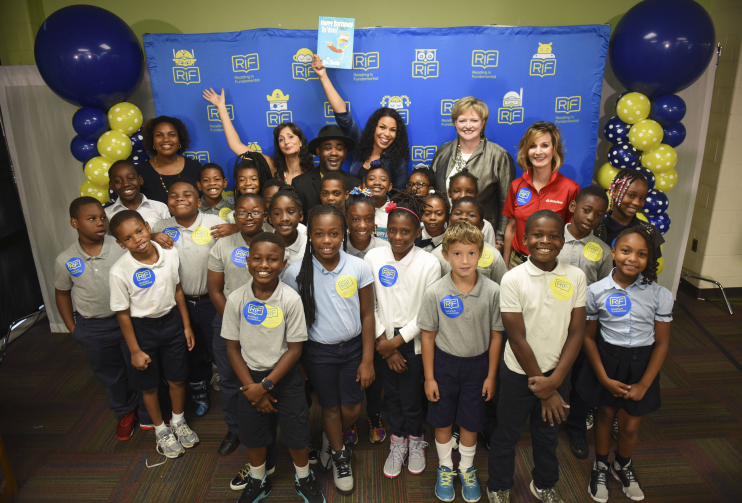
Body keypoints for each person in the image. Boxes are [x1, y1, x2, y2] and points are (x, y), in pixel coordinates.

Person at [487, 210, 586, 503]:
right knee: (506, 435)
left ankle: (543, 484)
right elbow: (516, 337)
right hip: (519, 372)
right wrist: (544, 386)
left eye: (554, 235)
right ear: (525, 238)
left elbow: (577, 332)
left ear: (563, 239)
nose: (546, 241)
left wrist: (554, 381)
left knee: (548, 435)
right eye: (538, 235)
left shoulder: (575, 276)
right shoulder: (513, 279)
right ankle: (499, 486)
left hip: (558, 371)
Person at [221, 232, 326, 503]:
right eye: (257, 258)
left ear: (283, 262)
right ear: (247, 261)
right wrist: (253, 389)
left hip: (285, 376)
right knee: (254, 435)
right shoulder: (236, 299)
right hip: (249, 378)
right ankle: (258, 479)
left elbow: (295, 350)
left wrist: (265, 386)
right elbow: (232, 348)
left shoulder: (290, 299)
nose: (264, 264)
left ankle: (304, 477)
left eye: (272, 259)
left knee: (296, 432)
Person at [284, 205, 376, 495]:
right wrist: (296, 359)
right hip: (317, 352)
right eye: (319, 234)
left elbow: (367, 314)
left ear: (343, 234)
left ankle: (328, 437)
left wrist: (368, 359)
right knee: (330, 407)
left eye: (334, 234)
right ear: (310, 235)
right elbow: (290, 320)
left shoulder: (358, 266)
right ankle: (339, 454)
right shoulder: (296, 271)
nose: (327, 240)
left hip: (352, 350)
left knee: (352, 407)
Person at [577, 227, 672, 503]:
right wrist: (604, 378)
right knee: (605, 417)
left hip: (642, 365)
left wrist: (644, 383)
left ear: (649, 258)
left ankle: (623, 464)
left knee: (630, 425)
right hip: (607, 363)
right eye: (626, 251)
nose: (632, 259)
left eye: (642, 254)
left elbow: (662, 344)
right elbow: (588, 337)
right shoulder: (596, 291)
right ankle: (601, 465)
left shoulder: (659, 294)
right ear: (613, 253)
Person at [419, 222, 504, 503]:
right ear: (445, 255)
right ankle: (446, 467)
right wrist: (429, 377)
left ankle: (466, 468)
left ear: (481, 254)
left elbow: (495, 337)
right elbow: (428, 337)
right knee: (442, 419)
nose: (464, 260)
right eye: (457, 254)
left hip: (478, 367)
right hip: (443, 365)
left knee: (471, 420)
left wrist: (491, 375)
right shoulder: (434, 292)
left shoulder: (492, 291)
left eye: (470, 253)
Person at [108, 210, 199, 461]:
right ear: (120, 244)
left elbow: (178, 291)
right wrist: (135, 350)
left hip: (171, 322)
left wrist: (186, 325)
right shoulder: (119, 271)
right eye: (127, 238)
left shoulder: (169, 253)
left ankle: (178, 421)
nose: (137, 239)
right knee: (148, 384)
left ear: (147, 226)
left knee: (177, 377)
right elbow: (123, 314)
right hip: (141, 329)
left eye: (139, 231)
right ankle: (161, 430)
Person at [364, 193, 442, 479]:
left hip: (412, 343)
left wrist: (396, 343)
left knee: (410, 395)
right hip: (381, 339)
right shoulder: (373, 257)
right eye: (392, 230)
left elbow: (426, 311)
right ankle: (398, 441)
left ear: (417, 232)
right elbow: (369, 303)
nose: (398, 237)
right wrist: (384, 342)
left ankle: (416, 439)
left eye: (405, 231)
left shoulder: (428, 263)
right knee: (392, 395)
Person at [54, 197, 138, 441]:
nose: (100, 223)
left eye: (102, 217)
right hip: (93, 327)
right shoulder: (65, 260)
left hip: (128, 321)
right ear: (74, 223)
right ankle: (124, 410)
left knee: (139, 366)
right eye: (91, 219)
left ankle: (147, 408)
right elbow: (62, 294)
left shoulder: (121, 246)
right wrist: (73, 328)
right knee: (109, 373)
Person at [151, 179, 224, 419]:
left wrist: (234, 229)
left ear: (199, 201)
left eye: (187, 194)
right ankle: (199, 391)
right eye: (174, 195)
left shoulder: (214, 222)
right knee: (189, 351)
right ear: (168, 204)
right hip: (177, 304)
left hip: (212, 301)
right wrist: (152, 235)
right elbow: (137, 242)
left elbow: (239, 240)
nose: (180, 198)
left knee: (219, 347)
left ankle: (225, 385)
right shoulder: (161, 226)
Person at [207, 193, 271, 461]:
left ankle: (270, 429)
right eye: (242, 212)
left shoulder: (273, 240)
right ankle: (235, 430)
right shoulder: (222, 246)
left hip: (270, 322)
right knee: (231, 381)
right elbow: (214, 289)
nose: (248, 217)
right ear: (234, 217)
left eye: (255, 212)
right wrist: (236, 324)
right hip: (229, 323)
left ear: (265, 214)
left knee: (268, 379)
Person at [553, 186, 612, 460]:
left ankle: (576, 428)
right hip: (551, 322)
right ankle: (546, 421)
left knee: (581, 379)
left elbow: (604, 291)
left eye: (599, 214)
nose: (591, 217)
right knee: (552, 373)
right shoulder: (552, 236)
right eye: (587, 210)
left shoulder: (601, 250)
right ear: (574, 205)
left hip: (584, 326)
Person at [430, 97, 515, 252]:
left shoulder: (499, 156)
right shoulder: (443, 151)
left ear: (483, 122)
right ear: (455, 122)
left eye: (474, 120)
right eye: (462, 121)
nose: (468, 126)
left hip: (483, 237)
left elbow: (506, 203)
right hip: (445, 235)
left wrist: (500, 239)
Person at [313, 55, 410, 189]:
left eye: (393, 130)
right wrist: (323, 76)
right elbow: (342, 115)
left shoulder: (398, 163)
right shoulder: (361, 144)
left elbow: (399, 197)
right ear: (374, 128)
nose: (387, 134)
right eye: (382, 127)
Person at [342, 188, 389, 444]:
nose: (362, 225)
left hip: (375, 321)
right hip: (347, 323)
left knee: (374, 375)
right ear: (346, 218)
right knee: (350, 375)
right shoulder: (337, 245)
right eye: (356, 219)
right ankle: (350, 422)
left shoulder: (384, 248)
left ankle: (374, 415)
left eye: (368, 218)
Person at [502, 122, 581, 270]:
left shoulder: (571, 188)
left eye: (544, 145)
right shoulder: (516, 186)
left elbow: (571, 234)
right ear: (526, 151)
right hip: (517, 262)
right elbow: (511, 228)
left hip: (553, 264)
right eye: (532, 146)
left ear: (554, 149)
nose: (538, 152)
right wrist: (505, 265)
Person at [203, 87, 314, 183]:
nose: (286, 142)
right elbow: (235, 145)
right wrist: (221, 107)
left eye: (290, 136)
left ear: (301, 141)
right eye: (281, 139)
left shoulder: (312, 174)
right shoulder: (273, 167)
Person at [291, 125, 361, 221]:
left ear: (345, 152)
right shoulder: (300, 184)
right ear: (318, 151)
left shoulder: (355, 185)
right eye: (328, 148)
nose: (333, 153)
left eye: (339, 149)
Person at [433, 197, 507, 286]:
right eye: (458, 213)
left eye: (471, 215)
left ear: (481, 225)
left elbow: (502, 288)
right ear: (449, 219)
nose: (463, 217)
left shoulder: (494, 256)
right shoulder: (436, 255)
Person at [600, 170, 664, 259]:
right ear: (614, 192)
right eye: (631, 195)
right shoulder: (597, 227)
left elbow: (651, 270)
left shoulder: (650, 232)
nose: (637, 203)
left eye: (642, 198)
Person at [139, 116, 202, 203]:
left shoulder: (194, 167)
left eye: (172, 135)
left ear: (179, 139)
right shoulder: (141, 171)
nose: (166, 139)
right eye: (159, 135)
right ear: (152, 140)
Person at [106, 160, 170, 229]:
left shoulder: (160, 208)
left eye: (131, 178)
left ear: (140, 180)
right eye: (118, 181)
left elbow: (171, 235)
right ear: (111, 185)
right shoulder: (106, 215)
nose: (125, 184)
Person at [447, 170, 498, 245]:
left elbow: (490, 253)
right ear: (449, 193)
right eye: (457, 191)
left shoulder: (486, 227)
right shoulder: (442, 221)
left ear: (476, 194)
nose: (463, 195)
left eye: (469, 192)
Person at [268, 186, 307, 270]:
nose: (284, 218)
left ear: (300, 216)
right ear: (270, 218)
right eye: (277, 213)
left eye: (290, 212)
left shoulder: (310, 246)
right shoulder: (263, 246)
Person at [363, 160, 394, 241]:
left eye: (383, 180)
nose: (377, 182)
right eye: (372, 179)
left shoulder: (397, 211)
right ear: (364, 185)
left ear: (390, 186)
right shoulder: (358, 210)